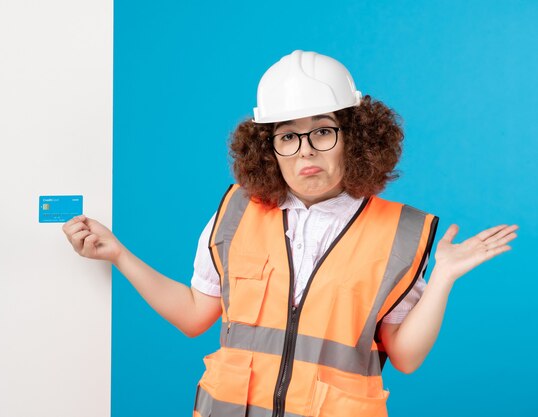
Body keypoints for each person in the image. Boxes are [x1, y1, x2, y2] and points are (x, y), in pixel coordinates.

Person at [62, 50, 518, 417]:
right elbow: (194, 316)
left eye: (323, 131)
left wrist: (442, 280)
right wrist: (119, 255)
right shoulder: (236, 212)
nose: (306, 152)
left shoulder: (402, 232)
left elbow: (406, 357)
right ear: (268, 147)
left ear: (354, 137)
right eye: (287, 137)